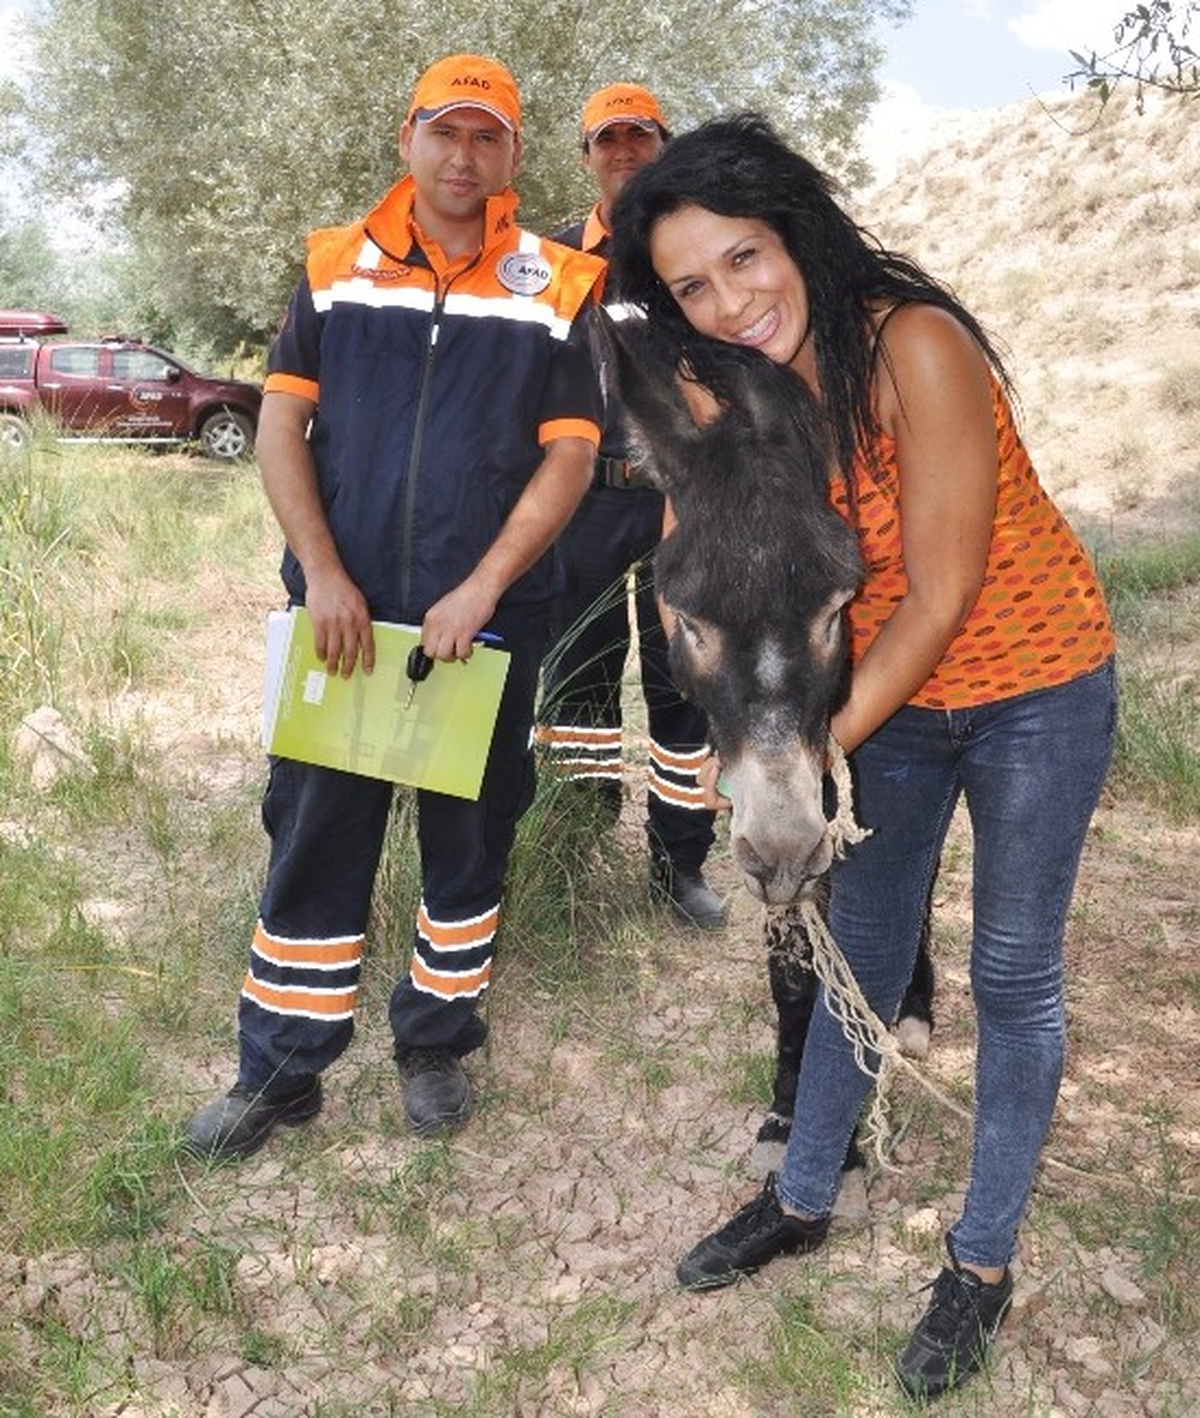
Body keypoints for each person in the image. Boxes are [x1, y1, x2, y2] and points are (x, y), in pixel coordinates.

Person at [610, 113, 1117, 1399]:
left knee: (1010, 971)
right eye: (692, 286)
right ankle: (801, 1191)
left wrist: (805, 758)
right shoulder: (738, 385)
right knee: (860, 946)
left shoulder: (915, 348)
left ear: (796, 233)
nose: (728, 300)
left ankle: (982, 1259)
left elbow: (940, 596)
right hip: (886, 696)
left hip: (1029, 686)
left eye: (744, 257)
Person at [184, 54, 606, 1160]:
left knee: (469, 841)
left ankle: (435, 1044)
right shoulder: (332, 271)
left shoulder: (558, 284)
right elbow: (280, 430)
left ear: (513, 155)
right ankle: (279, 1070)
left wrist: (483, 584)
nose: (462, 156)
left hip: (490, 623)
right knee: (314, 833)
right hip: (345, 621)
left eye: (487, 137)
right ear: (407, 136)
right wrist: (322, 570)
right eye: (444, 132)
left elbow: (568, 460)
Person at [535, 83, 724, 929]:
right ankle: (571, 850)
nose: (623, 153)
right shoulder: (549, 260)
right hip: (582, 505)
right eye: (606, 140)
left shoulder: (694, 249)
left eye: (638, 137)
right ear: (585, 156)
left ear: (664, 145)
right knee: (576, 679)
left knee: (687, 678)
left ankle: (678, 866)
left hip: (684, 503)